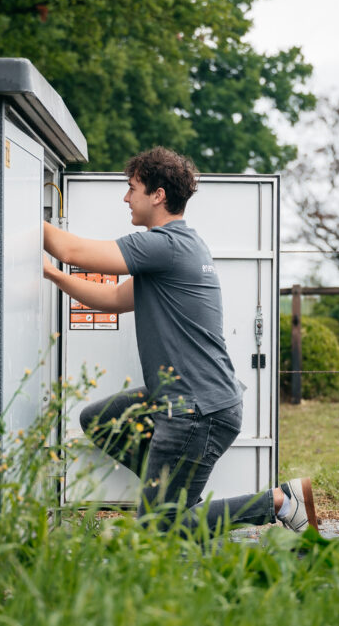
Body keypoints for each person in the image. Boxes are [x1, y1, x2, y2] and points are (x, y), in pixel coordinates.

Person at [42, 146, 317, 534]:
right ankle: (170, 497)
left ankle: (278, 501)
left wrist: (19, 210)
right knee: (100, 420)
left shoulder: (165, 244)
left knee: (160, 528)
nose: (125, 197)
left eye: (132, 188)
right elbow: (110, 298)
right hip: (190, 399)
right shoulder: (177, 249)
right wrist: (52, 275)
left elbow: (73, 250)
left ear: (158, 195)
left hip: (195, 409)